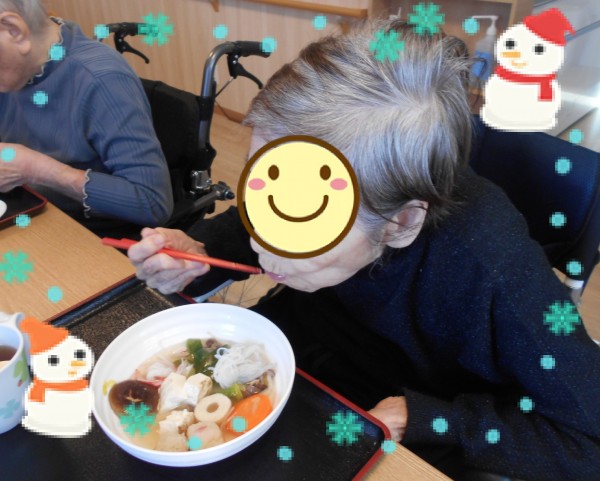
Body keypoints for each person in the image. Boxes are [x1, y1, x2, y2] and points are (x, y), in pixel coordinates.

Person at [127, 19, 600, 481]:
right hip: (299, 350)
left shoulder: (493, 268)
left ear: (403, 222)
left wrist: (433, 419)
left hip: (400, 411)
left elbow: (588, 442)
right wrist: (198, 253)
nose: (258, 240)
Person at [0, 0, 173, 237]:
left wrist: (36, 169)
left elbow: (152, 203)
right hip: (29, 208)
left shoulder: (102, 80)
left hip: (89, 232)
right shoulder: (15, 68)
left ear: (13, 30)